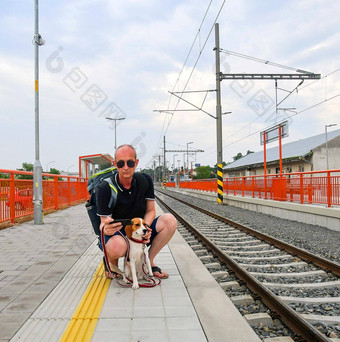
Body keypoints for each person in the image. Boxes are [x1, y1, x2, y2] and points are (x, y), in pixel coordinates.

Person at [96, 144, 177, 279]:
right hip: (118, 233)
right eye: (121, 163)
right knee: (117, 247)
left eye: (130, 163)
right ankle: (111, 262)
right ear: (115, 164)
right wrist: (106, 228)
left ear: (136, 163)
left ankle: (148, 262)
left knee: (170, 221)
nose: (126, 167)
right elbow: (102, 223)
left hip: (139, 228)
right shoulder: (105, 187)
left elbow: (151, 211)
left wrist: (146, 228)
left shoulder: (145, 180)